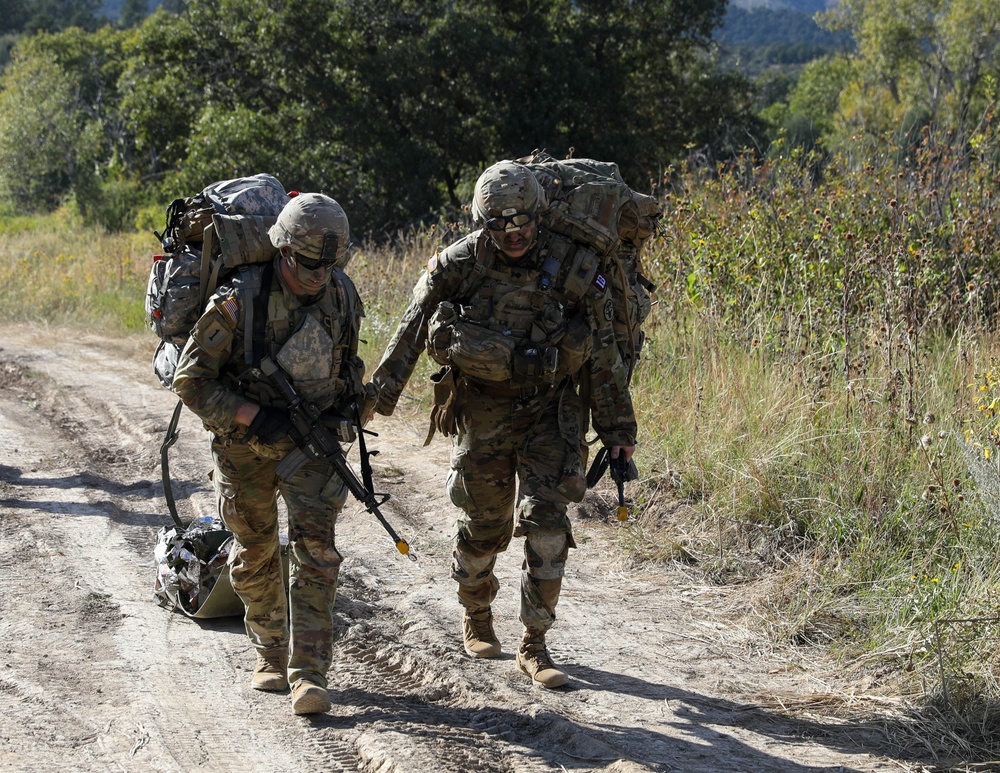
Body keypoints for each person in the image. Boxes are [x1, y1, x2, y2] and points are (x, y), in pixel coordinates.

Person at [366, 160, 637, 688]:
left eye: (524, 225)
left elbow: (604, 357)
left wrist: (618, 431)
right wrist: (377, 397)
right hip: (483, 410)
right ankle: (477, 616)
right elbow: (412, 328)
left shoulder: (576, 269)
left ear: (539, 216)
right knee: (483, 531)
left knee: (548, 527)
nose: (514, 236)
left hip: (551, 412)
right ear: (481, 223)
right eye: (499, 227)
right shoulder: (458, 265)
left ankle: (535, 645)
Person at [172, 192, 365, 715]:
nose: (319, 274)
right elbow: (190, 382)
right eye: (308, 264)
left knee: (317, 556)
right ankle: (269, 653)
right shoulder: (239, 301)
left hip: (311, 447)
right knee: (255, 552)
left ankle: (309, 674)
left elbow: (351, 367)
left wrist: (349, 409)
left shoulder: (342, 295)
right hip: (245, 450)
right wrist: (252, 416)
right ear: (282, 251)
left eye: (329, 264)